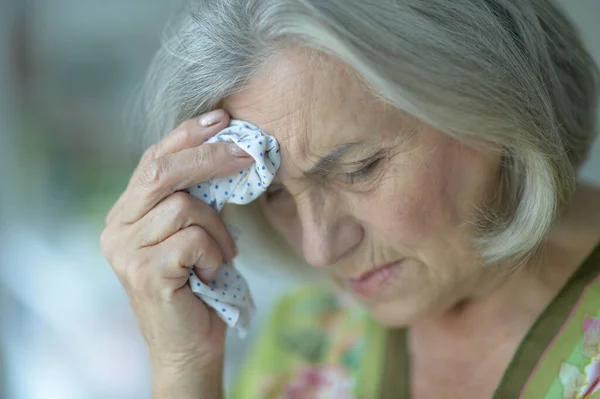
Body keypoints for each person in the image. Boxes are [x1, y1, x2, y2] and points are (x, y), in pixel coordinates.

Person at [100, 0, 600, 397]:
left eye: (359, 168)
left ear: (495, 101)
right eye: (273, 194)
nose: (320, 250)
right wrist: (185, 368)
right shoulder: (309, 335)